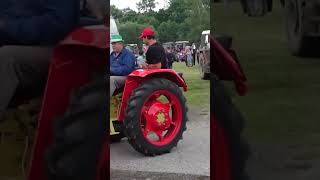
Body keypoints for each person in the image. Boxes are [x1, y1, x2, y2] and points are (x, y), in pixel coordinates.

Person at [0, 0, 108, 122]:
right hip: (13, 40)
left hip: (56, 47)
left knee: (6, 58)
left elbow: (58, 24)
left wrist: (6, 27)